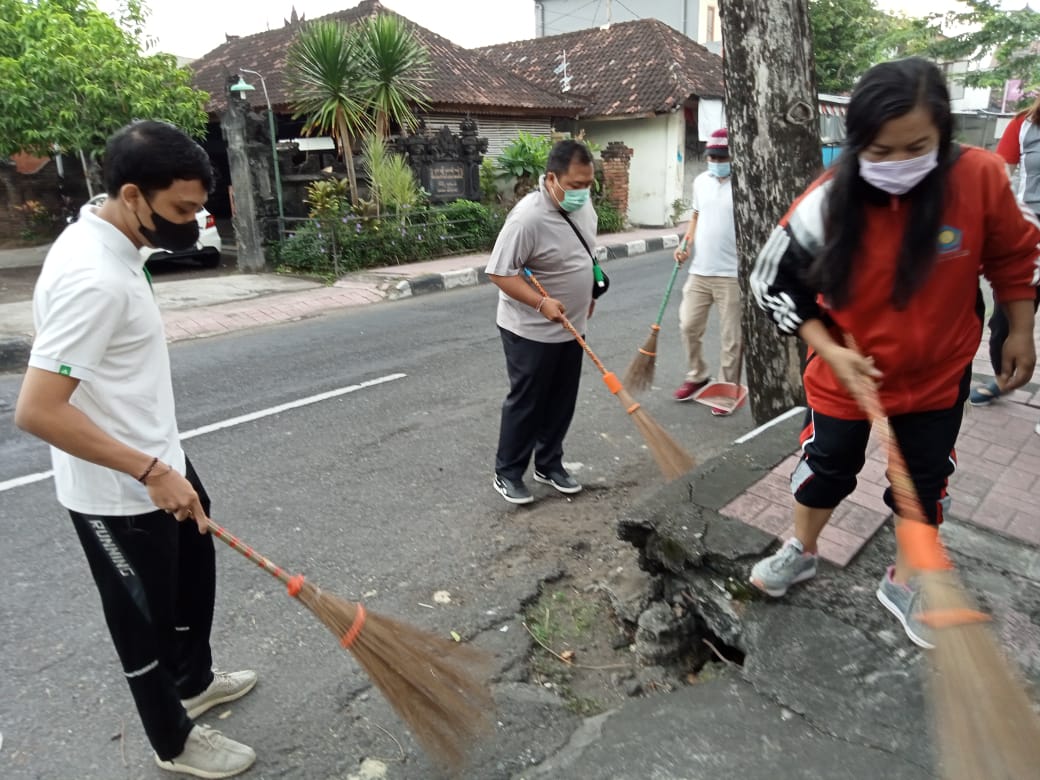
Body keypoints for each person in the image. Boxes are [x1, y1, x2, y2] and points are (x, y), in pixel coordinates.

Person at [746, 58, 1039, 648]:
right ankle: (801, 549)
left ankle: (905, 581)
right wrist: (832, 352)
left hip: (938, 377)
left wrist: (1021, 330)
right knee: (827, 468)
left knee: (923, 481)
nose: (899, 163)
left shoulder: (979, 178)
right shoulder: (828, 200)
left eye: (917, 148)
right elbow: (771, 282)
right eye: (880, 151)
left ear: (943, 136)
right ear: (857, 141)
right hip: (846, 377)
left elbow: (1014, 255)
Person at [15, 121, 258, 778]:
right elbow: (37, 410)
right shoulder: (94, 278)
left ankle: (195, 683)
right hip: (118, 491)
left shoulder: (114, 236)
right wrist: (149, 470)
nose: (193, 222)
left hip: (158, 459)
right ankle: (172, 741)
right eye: (181, 209)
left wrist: (166, 465)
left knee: (192, 582)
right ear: (131, 195)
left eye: (198, 207)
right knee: (142, 622)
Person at [486, 140, 598, 505]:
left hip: (572, 327)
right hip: (529, 330)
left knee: (562, 400)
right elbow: (500, 273)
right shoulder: (527, 218)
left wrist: (590, 295)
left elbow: (586, 254)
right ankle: (507, 472)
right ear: (551, 179)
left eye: (588, 184)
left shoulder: (582, 206)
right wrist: (540, 302)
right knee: (528, 402)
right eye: (576, 185)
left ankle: (549, 464)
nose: (583, 192)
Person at [968, 95, 1040, 418]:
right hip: (1028, 234)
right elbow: (999, 177)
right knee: (1004, 322)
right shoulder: (1023, 124)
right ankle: (1002, 378)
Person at [673, 127, 741, 416]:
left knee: (732, 338)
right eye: (712, 157)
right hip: (700, 271)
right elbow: (696, 216)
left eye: (722, 157)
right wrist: (685, 243)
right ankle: (698, 374)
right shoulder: (701, 181)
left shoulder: (743, 184)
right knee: (688, 325)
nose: (716, 161)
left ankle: (726, 390)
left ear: (733, 156)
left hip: (732, 275)